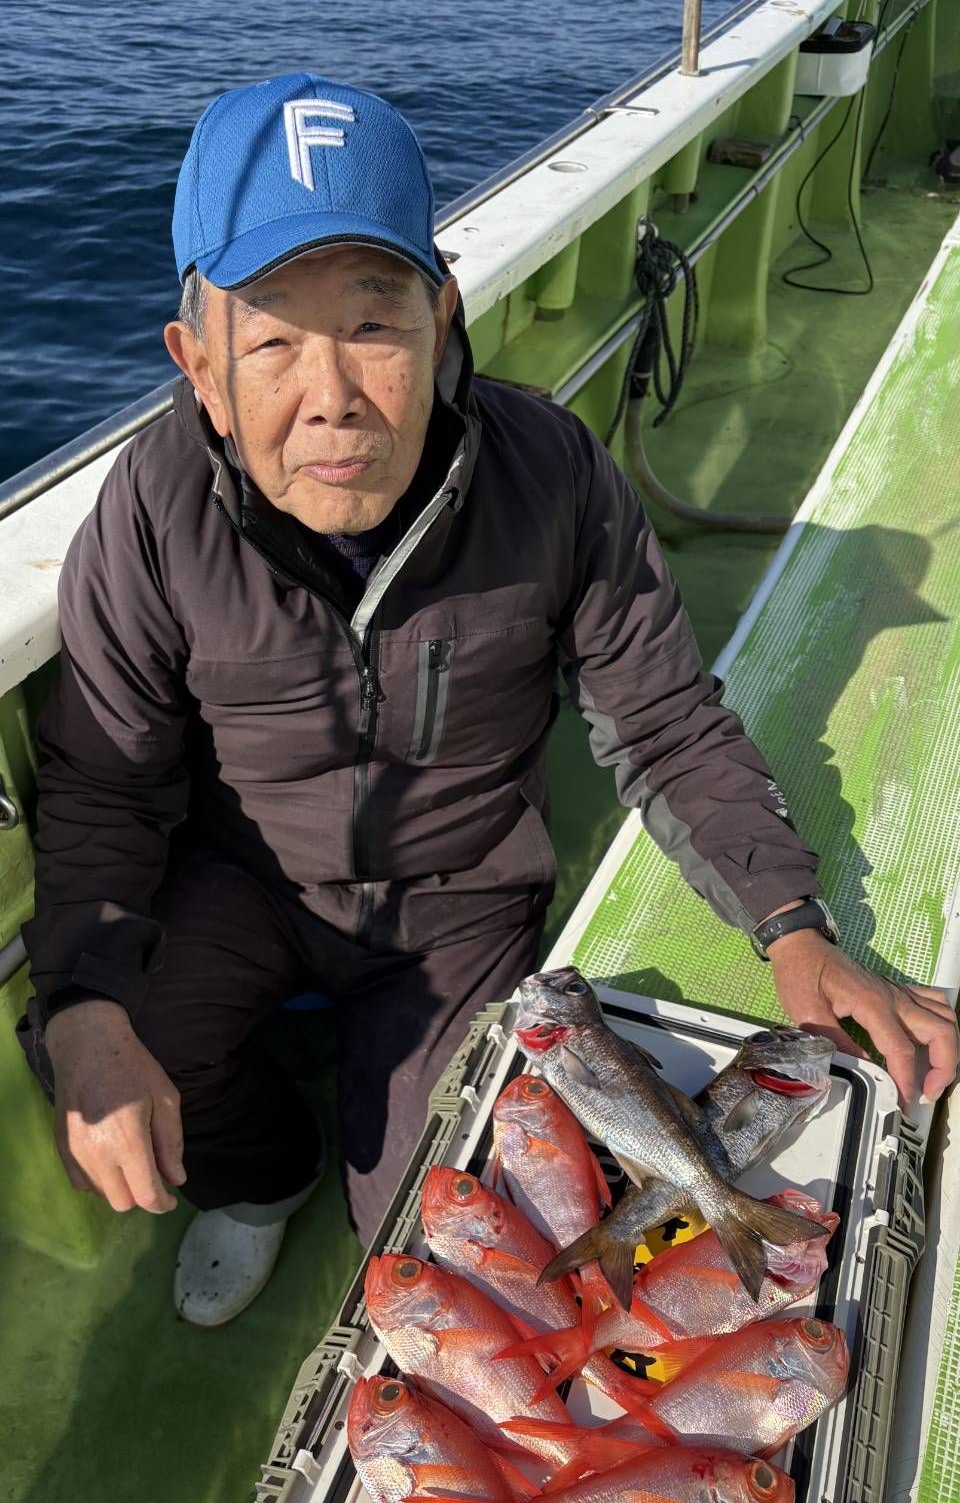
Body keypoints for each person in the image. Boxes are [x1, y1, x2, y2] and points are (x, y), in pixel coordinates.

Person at [21, 73, 958, 1326]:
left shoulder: (552, 474)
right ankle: (264, 1172)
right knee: (94, 1038)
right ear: (200, 366)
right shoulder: (150, 512)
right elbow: (106, 781)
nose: (332, 393)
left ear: (442, 316)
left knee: (443, 1227)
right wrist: (86, 997)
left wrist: (792, 922)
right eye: (273, 341)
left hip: (461, 904)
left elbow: (664, 718)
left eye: (374, 323)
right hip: (246, 880)